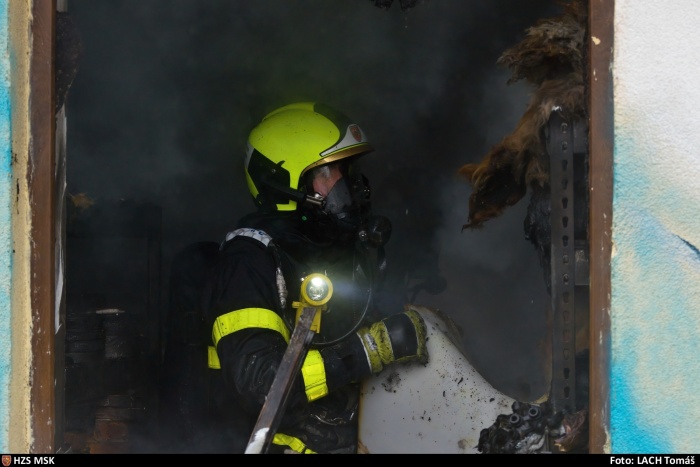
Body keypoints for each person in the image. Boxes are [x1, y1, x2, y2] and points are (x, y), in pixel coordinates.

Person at [160, 102, 428, 454]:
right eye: (329, 173)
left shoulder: (331, 250)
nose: (349, 185)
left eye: (348, 171)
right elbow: (261, 384)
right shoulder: (249, 263)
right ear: (286, 185)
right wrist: (370, 349)